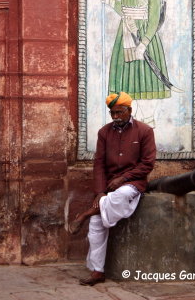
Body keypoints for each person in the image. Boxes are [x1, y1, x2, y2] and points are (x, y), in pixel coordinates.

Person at [69, 91, 156, 285]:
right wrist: (100, 191)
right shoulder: (104, 132)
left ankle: (85, 214)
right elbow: (98, 164)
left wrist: (124, 178)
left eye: (119, 112)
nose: (116, 117)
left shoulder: (144, 131)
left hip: (132, 184)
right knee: (96, 226)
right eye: (112, 113)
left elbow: (147, 164)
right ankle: (97, 272)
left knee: (121, 195)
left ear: (129, 110)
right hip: (108, 186)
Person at [99, 0, 171, 126]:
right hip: (125, 35)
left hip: (143, 36)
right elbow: (125, 9)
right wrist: (110, 1)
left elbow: (154, 16)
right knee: (129, 83)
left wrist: (144, 43)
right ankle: (134, 125)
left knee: (144, 80)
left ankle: (148, 125)